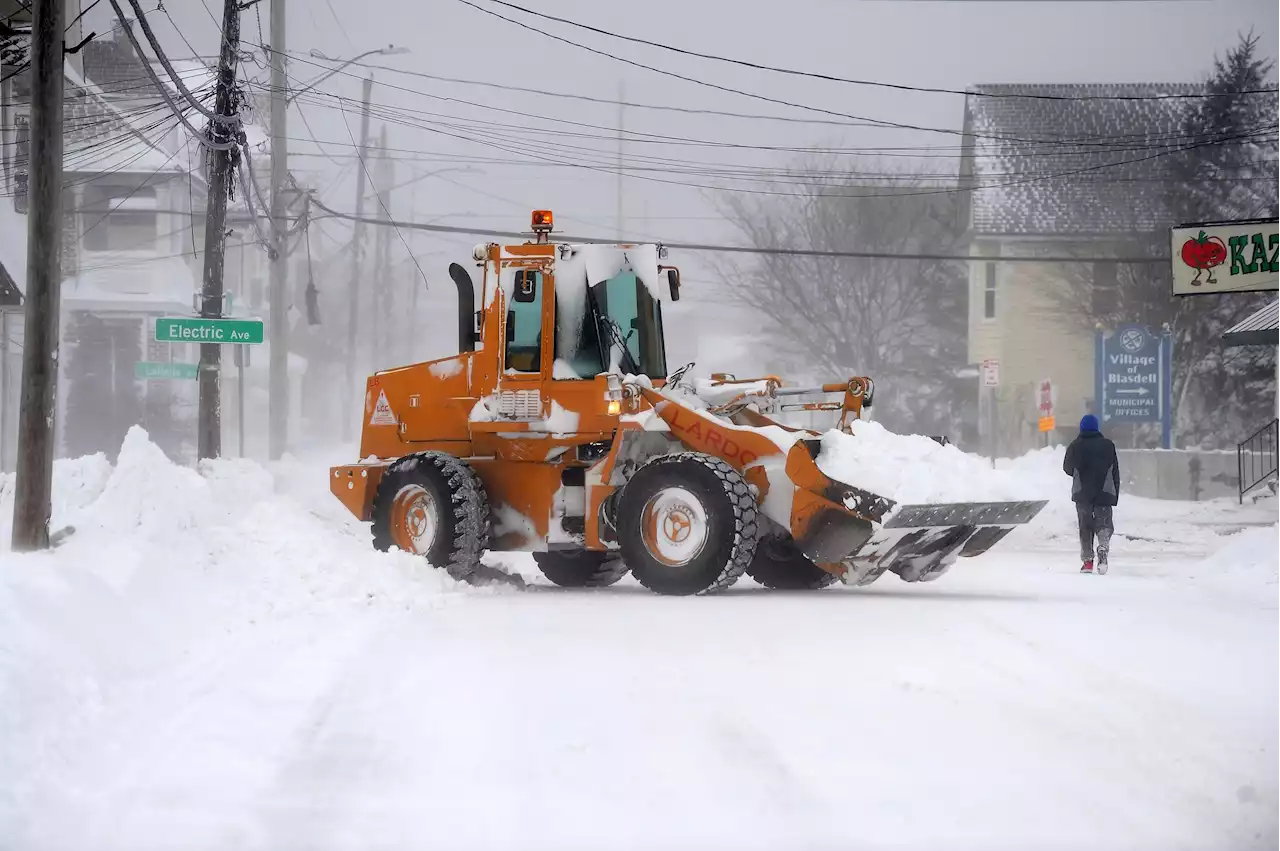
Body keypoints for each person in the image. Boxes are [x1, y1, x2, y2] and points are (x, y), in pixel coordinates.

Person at [1062, 414, 1120, 574]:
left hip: (1082, 493)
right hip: (1104, 492)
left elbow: (1067, 468)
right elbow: (1115, 471)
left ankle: (1088, 562)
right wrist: (1114, 494)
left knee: (1085, 526)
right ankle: (1103, 545)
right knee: (1104, 523)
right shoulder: (1108, 445)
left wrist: (1079, 474)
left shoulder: (1075, 445)